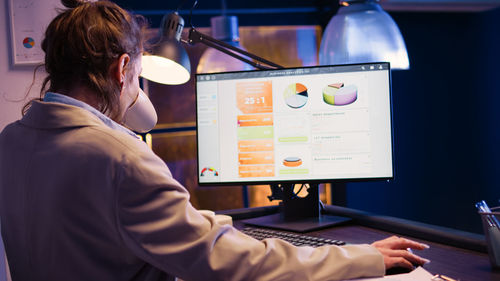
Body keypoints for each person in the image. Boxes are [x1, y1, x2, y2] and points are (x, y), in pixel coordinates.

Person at [0, 1, 430, 280]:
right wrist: (363, 258)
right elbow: (234, 262)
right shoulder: (122, 159)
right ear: (123, 67)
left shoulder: (11, 142)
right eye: (136, 77)